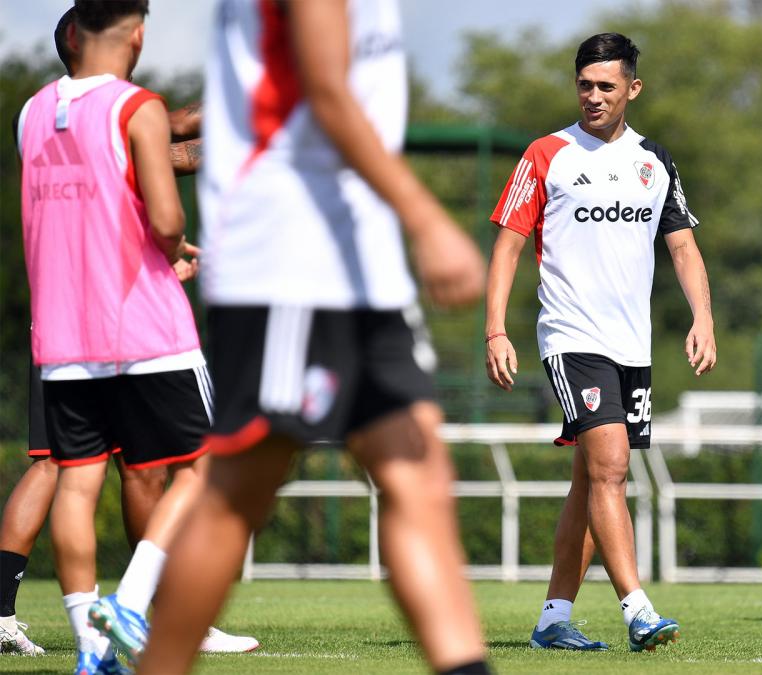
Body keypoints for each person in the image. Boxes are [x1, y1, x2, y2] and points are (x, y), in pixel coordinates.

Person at [138, 0, 490, 672]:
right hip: (295, 250)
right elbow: (326, 92)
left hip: (357, 255)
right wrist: (428, 220)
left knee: (418, 474)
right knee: (242, 488)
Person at [1, 7, 255, 659]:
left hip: (60, 335)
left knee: (76, 480)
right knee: (206, 465)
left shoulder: (29, 115)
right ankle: (132, 601)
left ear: (72, 32)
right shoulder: (136, 105)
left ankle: (91, 640)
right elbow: (166, 219)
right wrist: (168, 248)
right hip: (145, 327)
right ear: (137, 33)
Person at [485, 32, 716, 652]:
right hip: (571, 335)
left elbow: (684, 247)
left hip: (631, 345)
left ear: (632, 90)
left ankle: (553, 619)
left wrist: (704, 317)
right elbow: (508, 242)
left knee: (591, 481)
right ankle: (638, 609)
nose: (592, 95)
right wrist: (496, 328)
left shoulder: (655, 162)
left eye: (605, 86)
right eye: (584, 84)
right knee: (611, 466)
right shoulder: (547, 154)